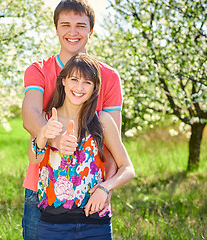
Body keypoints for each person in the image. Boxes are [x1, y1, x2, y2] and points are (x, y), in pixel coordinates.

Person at [22, 0, 123, 239]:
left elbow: (111, 144)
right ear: (56, 28)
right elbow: (30, 115)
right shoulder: (38, 69)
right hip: (41, 191)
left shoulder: (108, 76)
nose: (72, 32)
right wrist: (56, 139)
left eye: (80, 25)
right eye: (65, 24)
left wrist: (105, 187)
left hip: (90, 192)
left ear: (91, 29)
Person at [28, 53, 135, 239]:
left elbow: (127, 168)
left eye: (87, 82)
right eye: (74, 79)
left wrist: (105, 188)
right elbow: (33, 158)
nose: (79, 87)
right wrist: (43, 134)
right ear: (63, 81)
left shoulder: (102, 121)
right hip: (53, 226)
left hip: (96, 224)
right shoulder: (47, 119)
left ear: (94, 88)